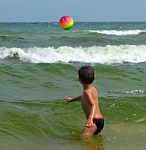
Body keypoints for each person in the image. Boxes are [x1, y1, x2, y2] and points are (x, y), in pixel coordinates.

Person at [64, 66, 104, 138]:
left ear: (80, 80)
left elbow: (93, 105)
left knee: (83, 138)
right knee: (90, 140)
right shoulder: (92, 89)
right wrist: (72, 100)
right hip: (100, 120)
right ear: (94, 78)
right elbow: (83, 97)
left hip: (94, 120)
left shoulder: (87, 92)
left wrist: (90, 119)